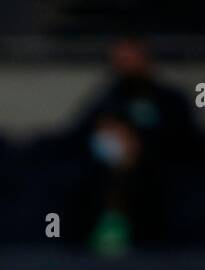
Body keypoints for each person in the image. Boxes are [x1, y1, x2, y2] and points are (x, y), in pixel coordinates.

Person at [70, 37, 196, 254]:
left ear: (146, 61)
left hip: (156, 175)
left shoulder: (170, 100)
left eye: (132, 59)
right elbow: (78, 136)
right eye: (120, 60)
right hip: (106, 175)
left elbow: (187, 142)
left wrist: (139, 145)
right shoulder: (105, 99)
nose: (126, 66)